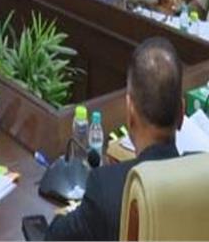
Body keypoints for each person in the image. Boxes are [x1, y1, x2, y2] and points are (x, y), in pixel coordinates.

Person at [46, 37, 183, 241]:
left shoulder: (107, 187)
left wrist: (62, 217)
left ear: (130, 113)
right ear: (181, 113)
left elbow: (55, 237)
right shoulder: (206, 180)